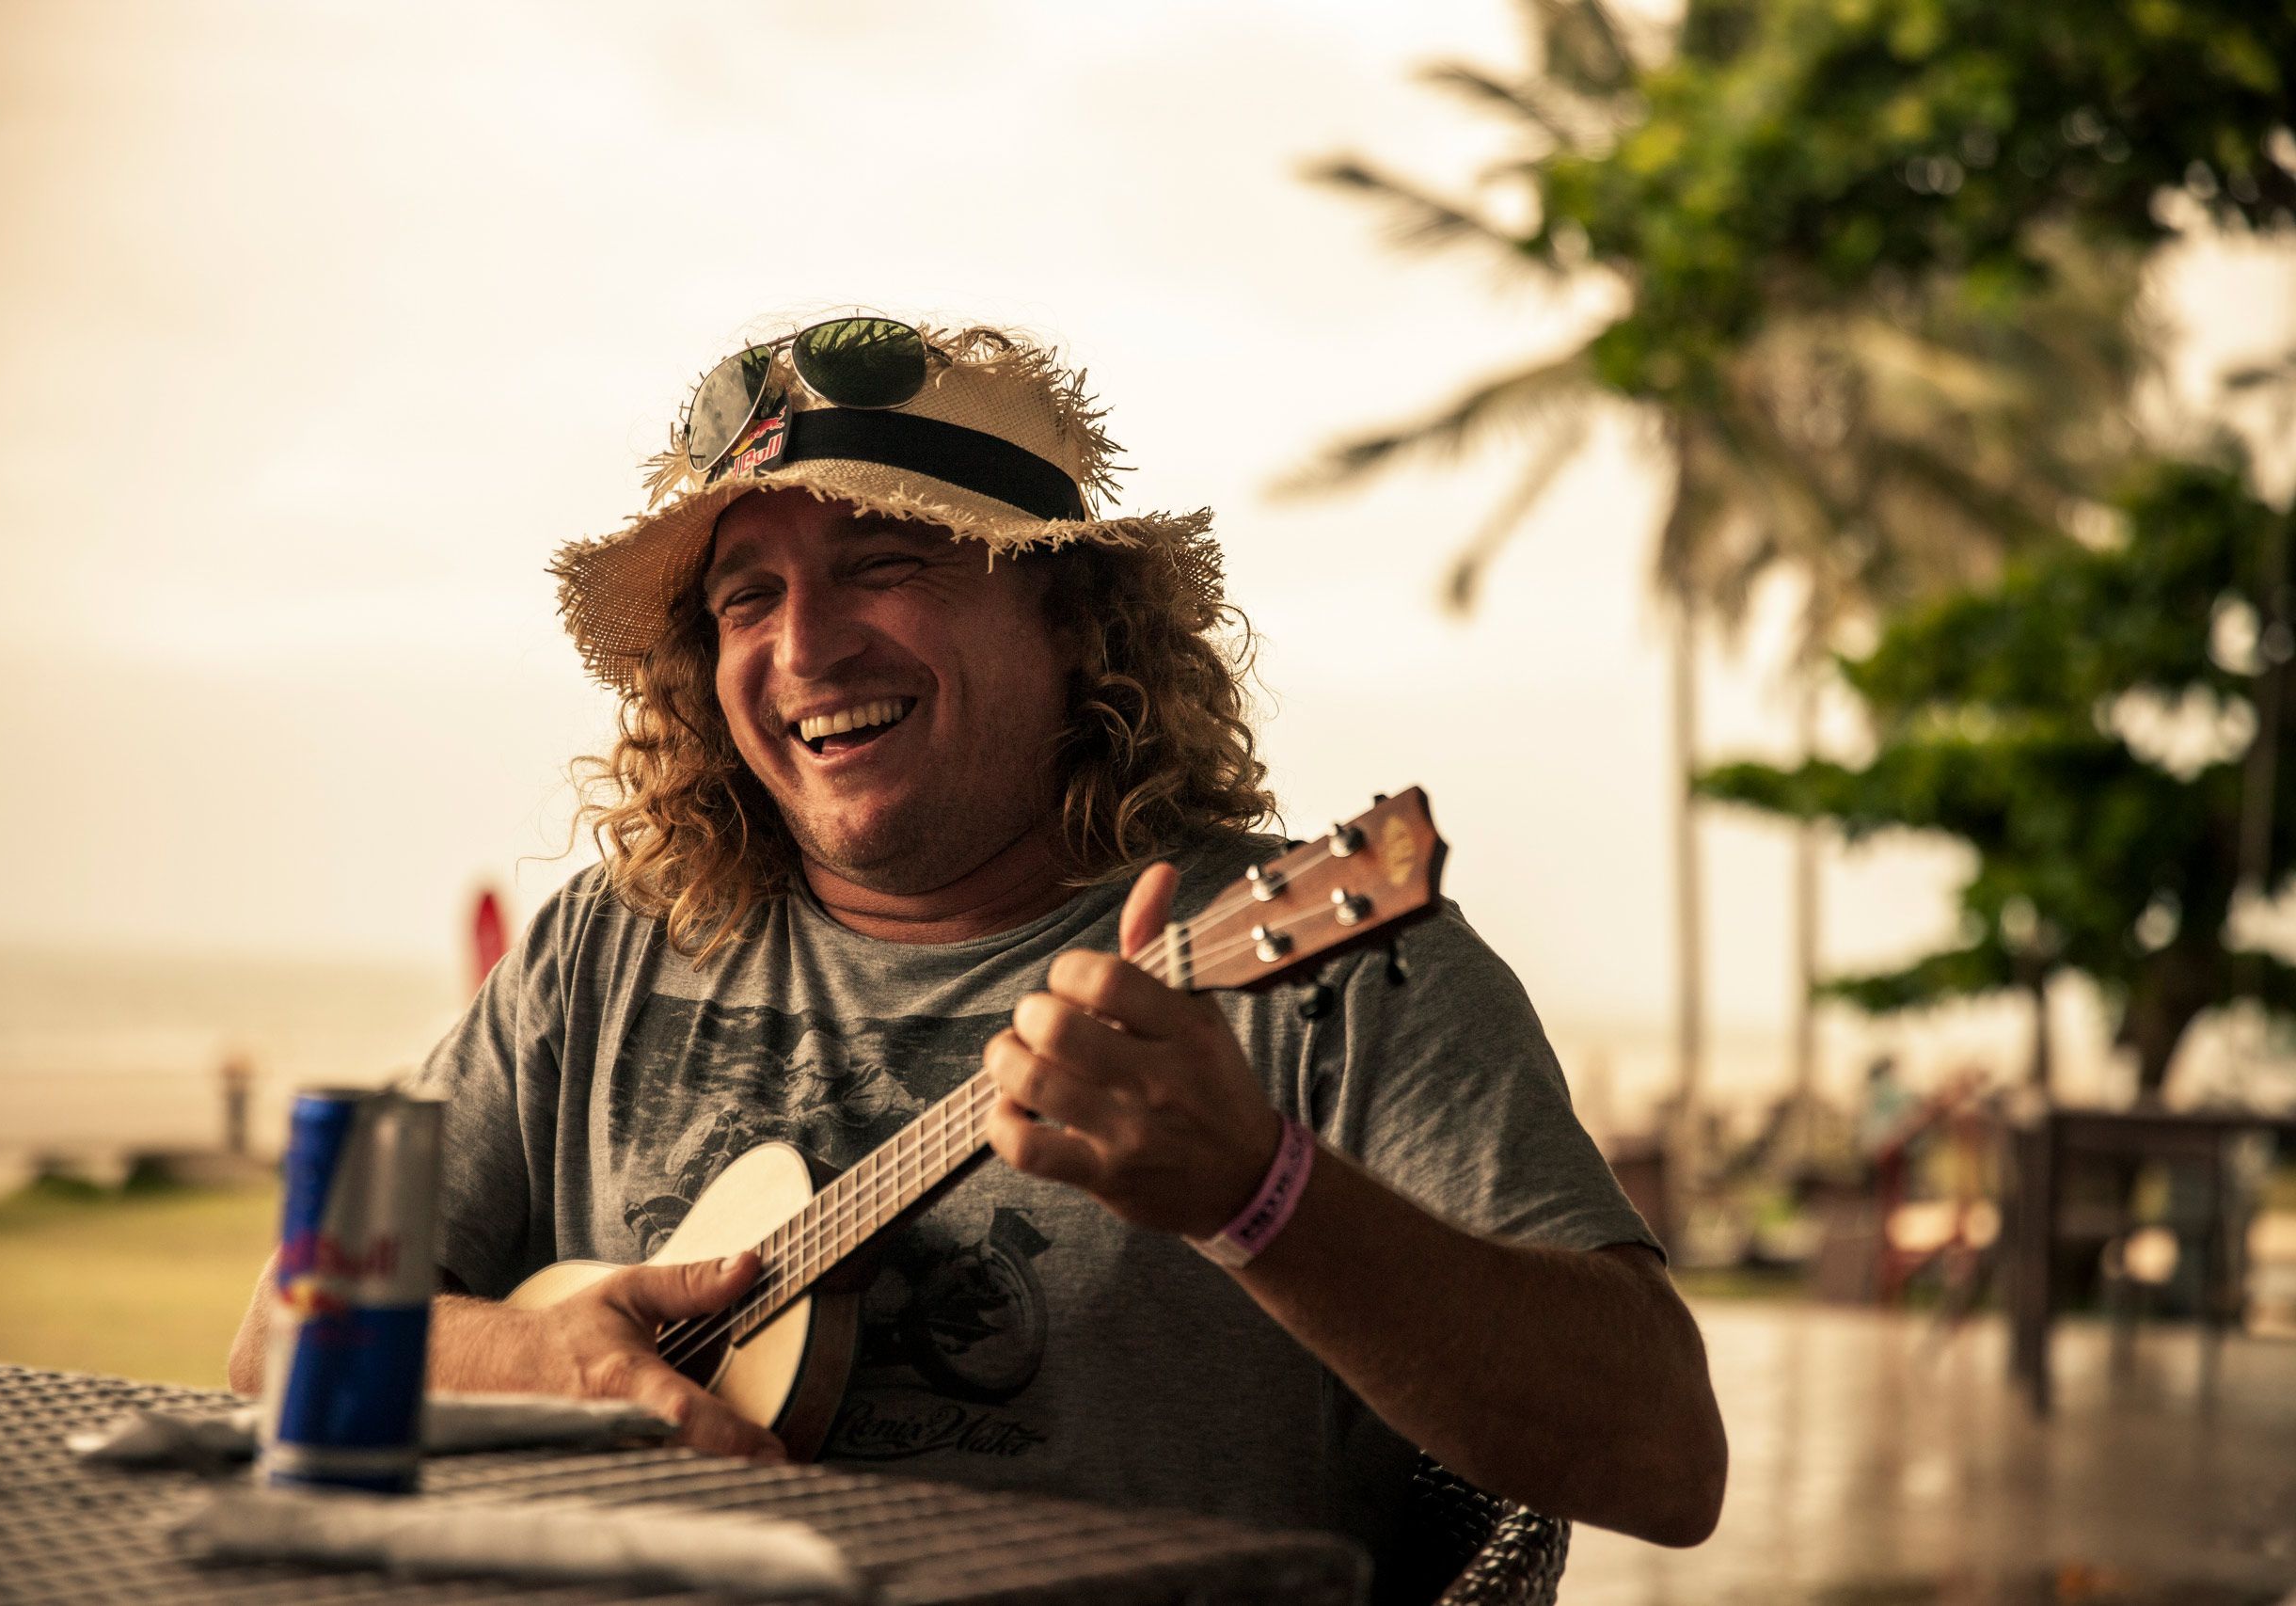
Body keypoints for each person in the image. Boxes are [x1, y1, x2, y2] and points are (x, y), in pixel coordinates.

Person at [229, 316, 1726, 1566]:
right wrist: (537, 1358)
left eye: (889, 563)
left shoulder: (1327, 970)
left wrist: (1261, 1196)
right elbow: (282, 1340)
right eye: (750, 597)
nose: (807, 649)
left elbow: (1666, 1458)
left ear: (1082, 619)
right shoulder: (606, 953)